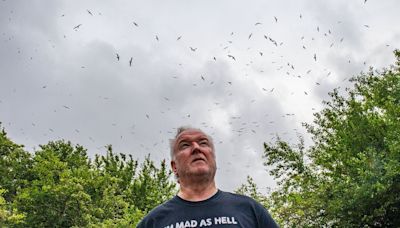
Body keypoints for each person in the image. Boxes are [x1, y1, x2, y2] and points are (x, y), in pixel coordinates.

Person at [137, 126, 278, 228]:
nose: (196, 148)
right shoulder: (154, 222)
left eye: (203, 143)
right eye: (185, 145)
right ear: (174, 167)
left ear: (213, 158)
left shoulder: (249, 209)